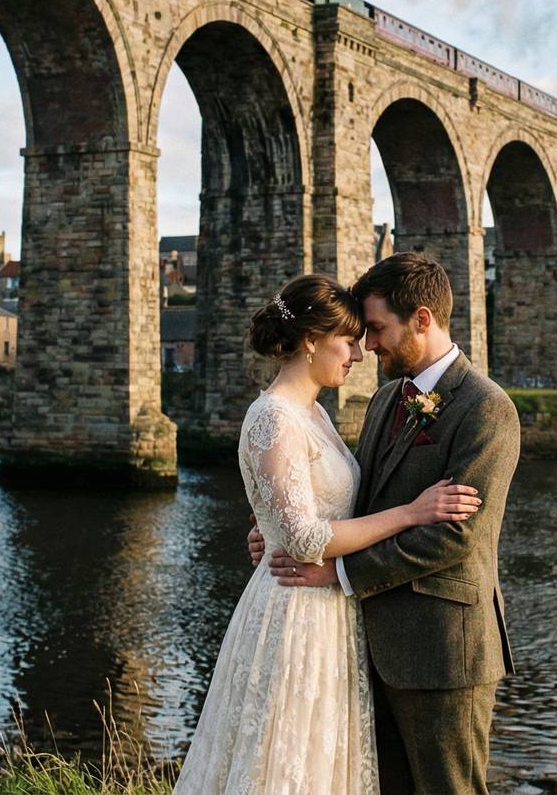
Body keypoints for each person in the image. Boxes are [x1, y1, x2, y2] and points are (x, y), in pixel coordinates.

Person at [176, 273, 482, 795]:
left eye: (366, 337)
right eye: (349, 342)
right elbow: (304, 537)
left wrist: (271, 529)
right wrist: (411, 512)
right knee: (285, 762)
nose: (360, 354)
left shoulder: (315, 412)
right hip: (298, 610)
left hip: (332, 606)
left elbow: (310, 507)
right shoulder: (273, 416)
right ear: (312, 340)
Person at [258, 253, 521, 795]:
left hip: (444, 650)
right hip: (369, 644)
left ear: (422, 319)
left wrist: (338, 573)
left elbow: (454, 535)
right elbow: (359, 504)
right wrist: (283, 525)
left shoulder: (487, 408)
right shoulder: (383, 401)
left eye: (376, 330)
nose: (367, 345)